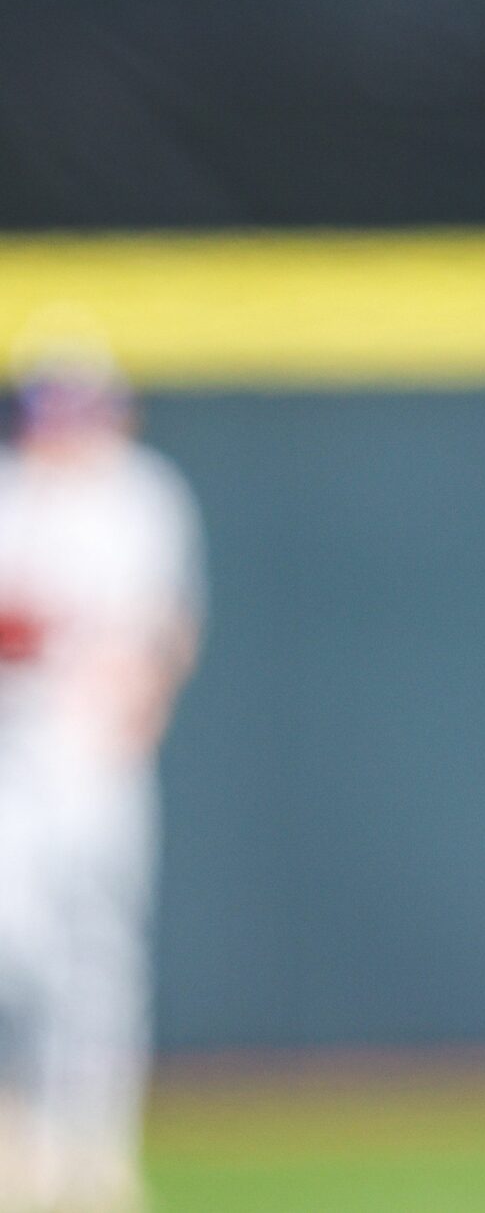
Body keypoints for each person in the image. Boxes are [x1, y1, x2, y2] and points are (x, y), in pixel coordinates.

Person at [0, 337, 202, 1213]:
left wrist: (140, 700)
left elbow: (169, 629)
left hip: (98, 750)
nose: (67, 429)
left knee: (103, 960)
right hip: (12, 745)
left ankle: (98, 1152)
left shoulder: (143, 494)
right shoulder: (10, 496)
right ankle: (24, 1135)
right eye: (53, 411)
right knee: (16, 945)